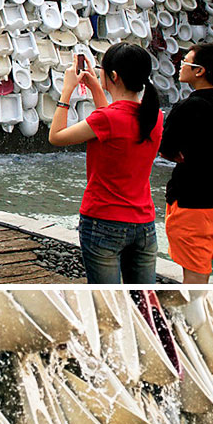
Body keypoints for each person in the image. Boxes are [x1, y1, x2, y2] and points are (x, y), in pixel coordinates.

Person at [49, 42, 163, 284]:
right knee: (143, 301)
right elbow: (114, 123)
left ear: (113, 76)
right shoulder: (154, 117)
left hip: (103, 221)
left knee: (107, 303)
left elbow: (56, 137)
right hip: (144, 223)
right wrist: (95, 89)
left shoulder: (106, 119)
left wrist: (67, 91)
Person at [159, 43, 213, 285]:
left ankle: (195, 322)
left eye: (186, 62)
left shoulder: (188, 107)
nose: (180, 66)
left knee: (195, 277)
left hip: (194, 206)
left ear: (199, 71)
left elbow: (167, 150)